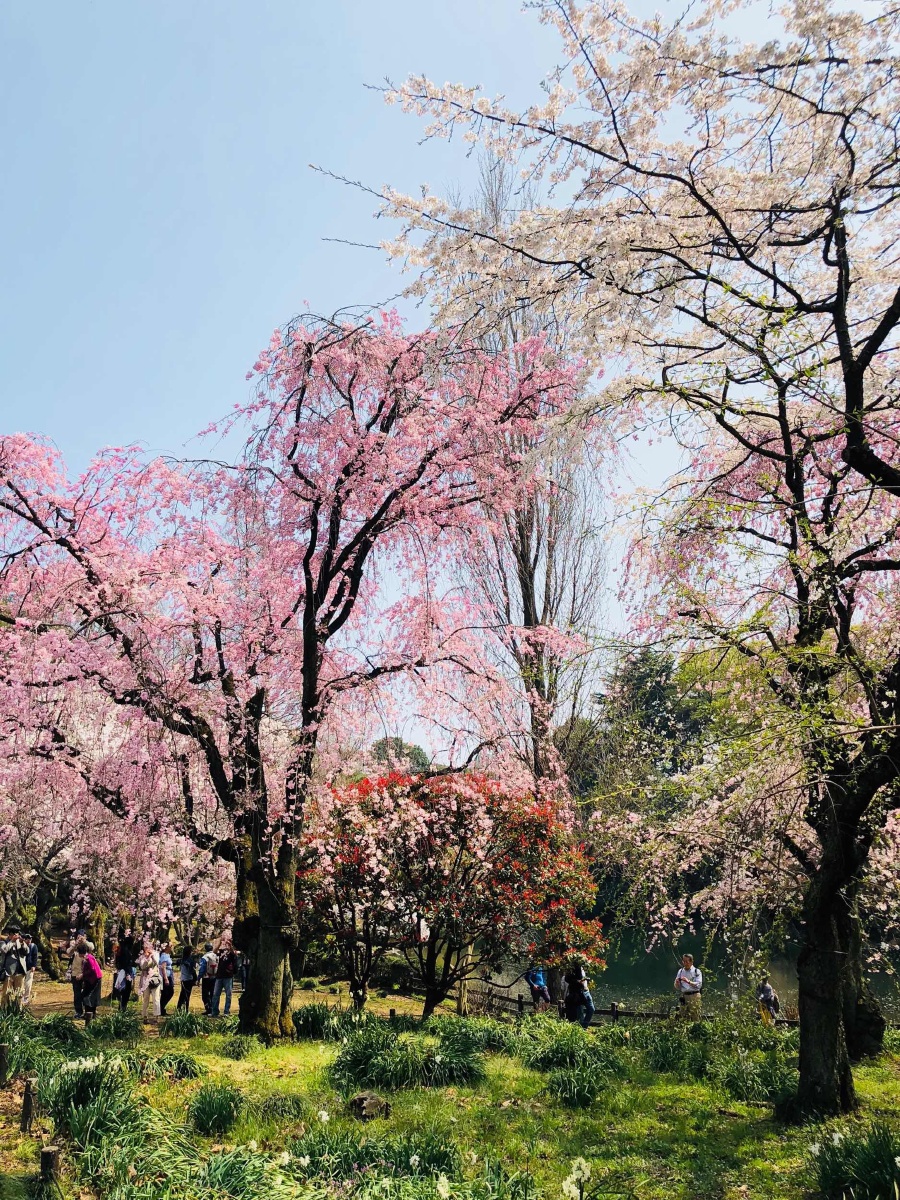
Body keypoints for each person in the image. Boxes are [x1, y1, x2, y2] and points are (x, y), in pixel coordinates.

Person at [0, 929, 28, 1010]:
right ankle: (4, 1010)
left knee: (20, 994)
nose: (16, 936)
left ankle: (19, 1010)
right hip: (8, 972)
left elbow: (27, 952)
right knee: (6, 994)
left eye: (17, 934)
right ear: (10, 935)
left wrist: (22, 943)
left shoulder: (20, 943)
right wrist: (12, 941)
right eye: (14, 934)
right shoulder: (4, 942)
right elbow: (4, 950)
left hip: (20, 972)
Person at [563, 962, 595, 1029]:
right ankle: (581, 1029)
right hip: (578, 993)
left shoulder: (582, 967)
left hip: (586, 991)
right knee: (579, 1014)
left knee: (591, 1009)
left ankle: (584, 1026)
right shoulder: (571, 969)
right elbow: (567, 979)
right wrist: (577, 981)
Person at [136, 943, 162, 1025]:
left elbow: (156, 963)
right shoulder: (142, 957)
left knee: (156, 998)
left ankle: (156, 1017)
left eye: (148, 947)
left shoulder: (156, 954)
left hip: (154, 979)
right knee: (146, 998)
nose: (147, 948)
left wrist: (152, 956)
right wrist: (147, 958)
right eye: (145, 947)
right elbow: (142, 967)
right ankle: (145, 1016)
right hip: (145, 980)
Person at [79, 938, 103, 1025]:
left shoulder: (89, 958)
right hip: (89, 980)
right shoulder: (86, 958)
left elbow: (92, 969)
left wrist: (83, 975)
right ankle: (88, 1013)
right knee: (86, 996)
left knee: (89, 997)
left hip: (95, 980)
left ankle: (91, 1014)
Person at [212, 938, 238, 1017]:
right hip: (219, 976)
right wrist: (219, 943)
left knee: (228, 994)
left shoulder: (232, 954)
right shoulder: (221, 951)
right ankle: (215, 1011)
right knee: (216, 994)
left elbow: (234, 954)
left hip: (228, 976)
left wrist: (230, 946)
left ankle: (226, 1011)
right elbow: (214, 951)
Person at [673, 953, 703, 1018]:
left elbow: (699, 984)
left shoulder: (696, 971)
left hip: (694, 995)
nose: (685, 963)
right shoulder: (680, 971)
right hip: (684, 996)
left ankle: (696, 1024)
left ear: (691, 962)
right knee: (683, 1015)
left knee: (695, 1015)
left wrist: (688, 981)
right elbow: (677, 987)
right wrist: (677, 983)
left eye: (687, 961)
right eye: (684, 961)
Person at [113, 932, 137, 1011]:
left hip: (122, 971)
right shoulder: (126, 951)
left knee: (122, 989)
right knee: (126, 990)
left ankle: (122, 1006)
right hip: (126, 972)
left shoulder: (121, 949)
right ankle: (123, 1006)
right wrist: (127, 973)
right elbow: (126, 963)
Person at [198, 943, 218, 1016]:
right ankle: (214, 1008)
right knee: (213, 994)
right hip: (214, 977)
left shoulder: (205, 957)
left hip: (206, 977)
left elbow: (202, 968)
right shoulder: (216, 956)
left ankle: (208, 1009)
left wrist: (198, 978)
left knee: (205, 995)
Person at [177, 944, 197, 1011]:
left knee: (182, 994)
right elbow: (192, 971)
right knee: (187, 995)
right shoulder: (189, 960)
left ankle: (179, 1007)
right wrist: (195, 979)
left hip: (183, 979)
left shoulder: (182, 960)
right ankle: (185, 1008)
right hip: (188, 979)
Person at [158, 943, 175, 1016]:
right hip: (166, 976)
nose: (172, 947)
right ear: (166, 947)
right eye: (170, 946)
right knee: (167, 993)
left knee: (169, 992)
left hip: (169, 975)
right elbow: (163, 967)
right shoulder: (164, 955)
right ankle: (161, 1009)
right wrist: (165, 978)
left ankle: (161, 1008)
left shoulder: (167, 955)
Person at [22, 933, 38, 1006]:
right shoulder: (21, 946)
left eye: (30, 939)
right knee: (21, 982)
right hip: (21, 967)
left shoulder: (33, 946)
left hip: (29, 967)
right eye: (27, 939)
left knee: (28, 983)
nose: (29, 940)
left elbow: (35, 956)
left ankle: (26, 997)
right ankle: (21, 996)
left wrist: (34, 966)